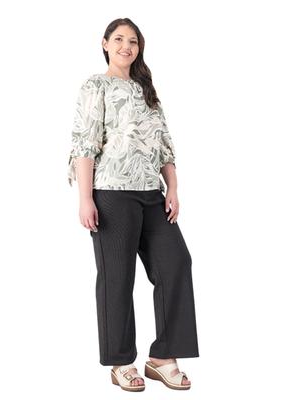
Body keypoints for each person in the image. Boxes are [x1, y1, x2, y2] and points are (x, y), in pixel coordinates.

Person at [67, 18, 199, 392]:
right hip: (111, 193)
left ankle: (163, 357)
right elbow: (85, 143)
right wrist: (86, 198)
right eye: (120, 39)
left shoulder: (146, 90)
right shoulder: (96, 86)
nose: (127, 46)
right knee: (118, 277)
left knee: (176, 263)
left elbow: (164, 144)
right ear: (105, 44)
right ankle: (121, 361)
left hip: (151, 194)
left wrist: (172, 188)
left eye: (134, 41)